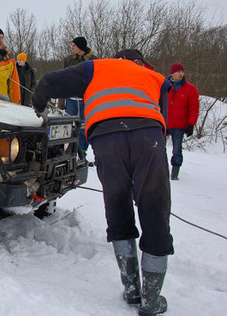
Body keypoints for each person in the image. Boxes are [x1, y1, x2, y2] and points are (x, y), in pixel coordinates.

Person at [32, 49, 173, 316]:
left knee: (118, 204)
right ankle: (152, 299)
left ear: (116, 60)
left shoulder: (96, 67)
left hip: (107, 138)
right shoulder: (154, 76)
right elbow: (162, 119)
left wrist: (39, 106)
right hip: (149, 138)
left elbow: (49, 82)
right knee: (154, 209)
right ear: (139, 62)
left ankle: (131, 288)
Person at [63, 36, 97, 159]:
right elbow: (63, 79)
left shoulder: (93, 60)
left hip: (85, 100)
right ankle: (68, 151)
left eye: (74, 46)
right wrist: (62, 98)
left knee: (83, 125)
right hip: (71, 99)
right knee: (69, 125)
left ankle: (82, 150)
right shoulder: (68, 60)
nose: (72, 48)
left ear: (80, 47)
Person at [166, 62, 200, 180]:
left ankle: (175, 173)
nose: (180, 74)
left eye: (182, 71)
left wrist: (191, 124)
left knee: (177, 151)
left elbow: (194, 108)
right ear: (172, 73)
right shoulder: (164, 86)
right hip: (163, 123)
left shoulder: (190, 89)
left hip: (179, 125)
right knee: (157, 149)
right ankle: (159, 170)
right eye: (177, 72)